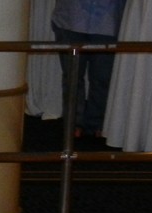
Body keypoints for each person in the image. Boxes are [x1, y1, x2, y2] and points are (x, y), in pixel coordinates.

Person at [51, 0, 127, 139]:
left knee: (102, 77)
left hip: (108, 19)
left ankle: (98, 122)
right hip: (70, 17)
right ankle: (73, 123)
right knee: (72, 76)